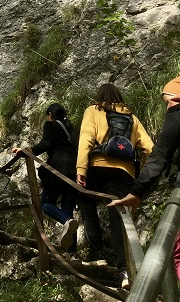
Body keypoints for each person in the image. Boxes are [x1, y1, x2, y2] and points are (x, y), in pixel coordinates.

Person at [76, 83, 153, 287]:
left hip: (98, 168)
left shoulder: (94, 110)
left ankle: (97, 252)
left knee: (85, 199)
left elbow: (86, 140)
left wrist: (81, 170)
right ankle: (125, 271)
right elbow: (150, 148)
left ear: (99, 96)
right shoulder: (131, 117)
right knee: (119, 217)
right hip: (124, 172)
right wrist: (140, 173)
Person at [108, 77, 180, 279]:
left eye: (168, 101)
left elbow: (159, 155)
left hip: (109, 172)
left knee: (178, 252)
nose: (168, 106)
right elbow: (148, 146)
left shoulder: (176, 113)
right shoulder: (130, 116)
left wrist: (137, 192)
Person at [13, 103, 79, 250]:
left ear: (50, 115)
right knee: (68, 208)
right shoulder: (71, 127)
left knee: (45, 203)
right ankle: (72, 252)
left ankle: (66, 220)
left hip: (58, 169)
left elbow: (45, 144)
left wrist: (27, 151)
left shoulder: (50, 125)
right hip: (74, 169)